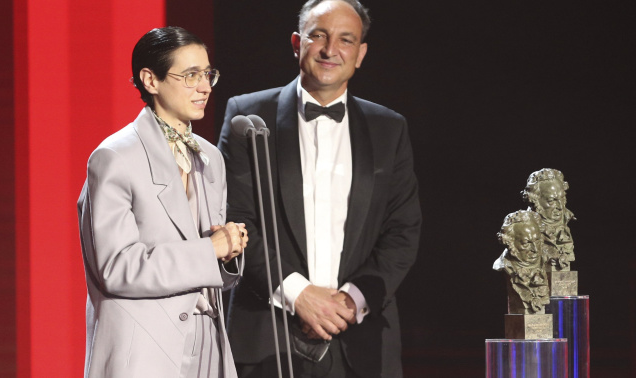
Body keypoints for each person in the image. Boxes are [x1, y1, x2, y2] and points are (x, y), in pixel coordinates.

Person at [218, 1, 422, 377]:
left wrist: (349, 301)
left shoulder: (389, 127)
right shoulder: (247, 117)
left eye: (346, 40)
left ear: (360, 54)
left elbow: (402, 231)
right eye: (319, 36)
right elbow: (236, 220)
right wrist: (300, 296)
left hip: (362, 344)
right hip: (268, 338)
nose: (331, 50)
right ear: (297, 42)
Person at [77, 27, 246, 378]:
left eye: (207, 74)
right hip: (143, 348)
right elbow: (117, 268)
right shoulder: (114, 157)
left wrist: (228, 253)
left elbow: (206, 269)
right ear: (150, 80)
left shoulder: (210, 157)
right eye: (190, 76)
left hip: (206, 345)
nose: (205, 87)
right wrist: (209, 249)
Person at [494, 210, 549, 314]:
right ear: (510, 242)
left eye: (537, 241)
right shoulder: (505, 264)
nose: (535, 250)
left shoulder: (543, 260)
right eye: (526, 243)